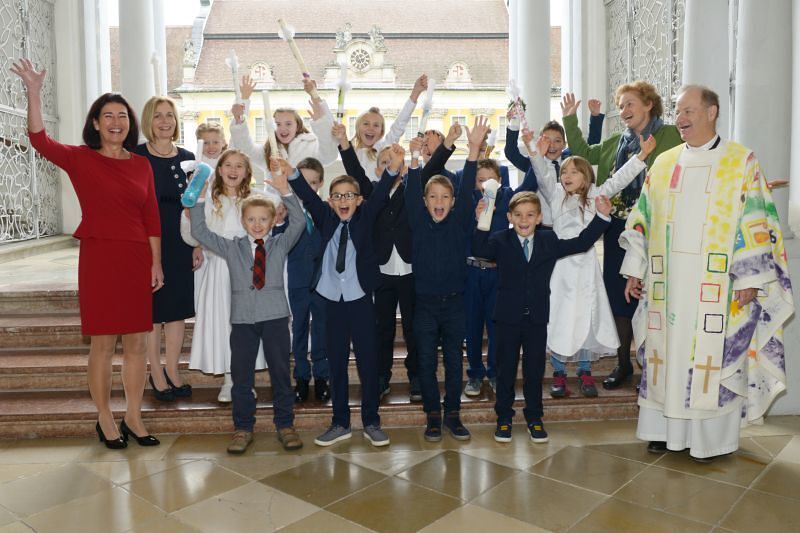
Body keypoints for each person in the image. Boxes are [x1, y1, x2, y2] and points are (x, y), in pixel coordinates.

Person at [620, 85, 792, 462]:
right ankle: (663, 431)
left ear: (712, 112)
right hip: (668, 285)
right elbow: (642, 218)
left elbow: (755, 220)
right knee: (667, 355)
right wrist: (635, 270)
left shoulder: (741, 161)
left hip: (716, 286)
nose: (680, 118)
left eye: (688, 111)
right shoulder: (663, 163)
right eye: (678, 111)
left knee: (710, 361)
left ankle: (709, 440)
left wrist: (749, 278)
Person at [11, 58, 162, 448]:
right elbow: (39, 139)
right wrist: (33, 92)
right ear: (95, 123)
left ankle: (133, 416)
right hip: (100, 258)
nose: (116, 121)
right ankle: (105, 417)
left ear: (130, 124)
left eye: (122, 116)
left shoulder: (142, 165)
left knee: (137, 343)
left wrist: (157, 263)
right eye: (107, 115)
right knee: (103, 343)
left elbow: (151, 217)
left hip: (136, 259)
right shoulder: (81, 158)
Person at [561, 83, 683, 389]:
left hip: (657, 227)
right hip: (618, 229)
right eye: (621, 105)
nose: (623, 110)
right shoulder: (616, 142)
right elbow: (582, 154)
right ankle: (623, 363)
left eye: (630, 104)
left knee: (654, 295)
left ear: (649, 104)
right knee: (618, 297)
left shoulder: (672, 136)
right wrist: (570, 120)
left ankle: (657, 365)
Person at [286, 146, 404, 448]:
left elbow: (381, 194)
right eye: (337, 196)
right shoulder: (325, 217)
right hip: (331, 301)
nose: (343, 201)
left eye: (349, 195)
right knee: (336, 362)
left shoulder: (366, 217)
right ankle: (340, 422)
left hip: (360, 299)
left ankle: (371, 421)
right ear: (330, 201)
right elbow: (308, 196)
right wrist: (291, 174)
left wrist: (394, 167)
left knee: (368, 363)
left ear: (359, 200)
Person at [473, 192, 613, 443]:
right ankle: (504, 417)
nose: (523, 220)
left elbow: (581, 243)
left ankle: (534, 417)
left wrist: (602, 217)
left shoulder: (548, 240)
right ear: (509, 217)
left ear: (539, 218)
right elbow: (479, 250)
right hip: (507, 318)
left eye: (530, 215)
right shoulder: (501, 240)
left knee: (534, 371)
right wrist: (482, 221)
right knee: (505, 371)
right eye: (518, 215)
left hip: (537, 319)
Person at [189, 158, 305, 453]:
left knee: (281, 373)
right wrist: (198, 198)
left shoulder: (279, 245)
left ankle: (285, 425)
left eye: (263, 219)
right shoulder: (232, 248)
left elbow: (299, 223)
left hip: (275, 317)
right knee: (241, 376)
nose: (257, 225)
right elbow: (200, 232)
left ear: (272, 221)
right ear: (243, 222)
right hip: (242, 320)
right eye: (251, 219)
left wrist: (286, 191)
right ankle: (242, 427)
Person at [527, 133, 655, 397]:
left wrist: (641, 156)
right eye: (564, 172)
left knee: (585, 317)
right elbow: (541, 172)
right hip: (560, 269)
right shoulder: (555, 194)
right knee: (560, 318)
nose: (567, 176)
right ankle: (559, 372)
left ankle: (585, 371)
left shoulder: (596, 195)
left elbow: (619, 179)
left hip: (586, 270)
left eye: (574, 172)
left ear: (586, 177)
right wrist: (535, 151)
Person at [405, 116, 491, 442]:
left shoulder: (459, 221)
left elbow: (468, 185)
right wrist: (414, 158)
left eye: (445, 197)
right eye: (433, 197)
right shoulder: (417, 221)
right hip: (425, 306)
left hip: (455, 305)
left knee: (454, 361)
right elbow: (411, 190)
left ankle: (452, 413)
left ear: (454, 202)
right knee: (427, 362)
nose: (439, 202)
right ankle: (432, 414)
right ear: (424, 202)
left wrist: (473, 149)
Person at [334, 123, 421, 402]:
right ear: (377, 169)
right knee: (382, 328)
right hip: (382, 273)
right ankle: (382, 375)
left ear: (403, 168)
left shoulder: (413, 190)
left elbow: (429, 170)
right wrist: (344, 143)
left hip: (410, 270)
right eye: (384, 162)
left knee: (413, 328)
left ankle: (416, 376)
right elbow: (354, 169)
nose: (388, 166)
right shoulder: (371, 192)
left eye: (393, 162)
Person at [180, 149, 267, 402]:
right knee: (223, 324)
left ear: (247, 172)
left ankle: (244, 380)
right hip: (218, 269)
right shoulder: (207, 199)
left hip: (248, 270)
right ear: (219, 170)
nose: (233, 170)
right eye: (228, 165)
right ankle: (230, 381)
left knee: (246, 326)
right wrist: (189, 216)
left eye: (239, 166)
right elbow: (192, 236)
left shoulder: (256, 199)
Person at [135, 96, 196, 402]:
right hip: (148, 241)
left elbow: (195, 205)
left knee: (177, 311)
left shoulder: (187, 156)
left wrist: (197, 243)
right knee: (153, 311)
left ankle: (173, 369)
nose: (164, 121)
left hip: (181, 242)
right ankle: (156, 372)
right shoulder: (136, 156)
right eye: (158, 115)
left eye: (169, 115)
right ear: (149, 120)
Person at [463, 156, 538, 398]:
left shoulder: (507, 197)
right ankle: (475, 373)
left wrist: (536, 154)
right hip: (472, 272)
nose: (486, 185)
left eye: (491, 180)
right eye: (480, 180)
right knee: (472, 326)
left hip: (497, 272)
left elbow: (530, 184)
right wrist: (475, 216)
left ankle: (495, 372)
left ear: (500, 180)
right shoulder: (468, 199)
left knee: (497, 326)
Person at [229, 75, 338, 179]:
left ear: (297, 126)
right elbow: (245, 148)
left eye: (288, 124)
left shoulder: (310, 146)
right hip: (272, 193)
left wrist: (315, 99)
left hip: (304, 193)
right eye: (278, 124)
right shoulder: (268, 151)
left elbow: (329, 155)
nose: (282, 128)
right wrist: (240, 113)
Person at [285, 157, 330, 404]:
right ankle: (301, 377)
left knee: (322, 329)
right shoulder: (287, 211)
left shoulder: (326, 210)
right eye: (302, 182)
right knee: (299, 329)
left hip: (322, 282)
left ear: (320, 183)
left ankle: (323, 376)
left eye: (313, 183)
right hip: (298, 280)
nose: (307, 187)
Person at [344, 74, 427, 181]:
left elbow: (400, 123)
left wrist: (415, 93)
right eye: (366, 124)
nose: (371, 128)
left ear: (381, 131)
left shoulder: (384, 147)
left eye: (376, 125)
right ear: (358, 128)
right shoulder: (352, 154)